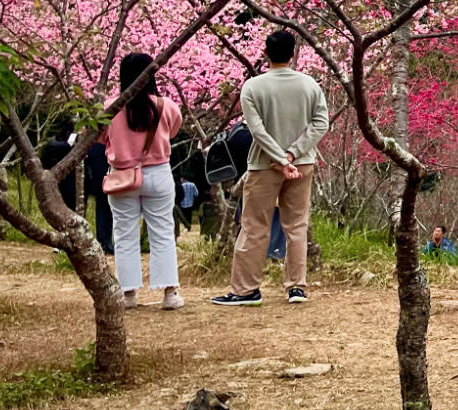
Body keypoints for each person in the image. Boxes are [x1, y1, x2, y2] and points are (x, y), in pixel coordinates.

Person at [212, 30, 328, 307]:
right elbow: (321, 123)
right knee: (297, 225)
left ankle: (245, 290)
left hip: (263, 165)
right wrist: (292, 154)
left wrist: (279, 157)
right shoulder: (309, 85)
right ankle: (296, 287)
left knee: (254, 226)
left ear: (266, 52)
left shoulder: (253, 87)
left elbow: (257, 130)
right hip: (302, 164)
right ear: (293, 53)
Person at [102, 53, 185, 311]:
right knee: (162, 233)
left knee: (124, 235)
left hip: (122, 175)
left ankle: (128, 295)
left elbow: (98, 136)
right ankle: (170, 293)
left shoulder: (110, 107)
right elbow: (173, 130)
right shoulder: (165, 106)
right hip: (158, 172)